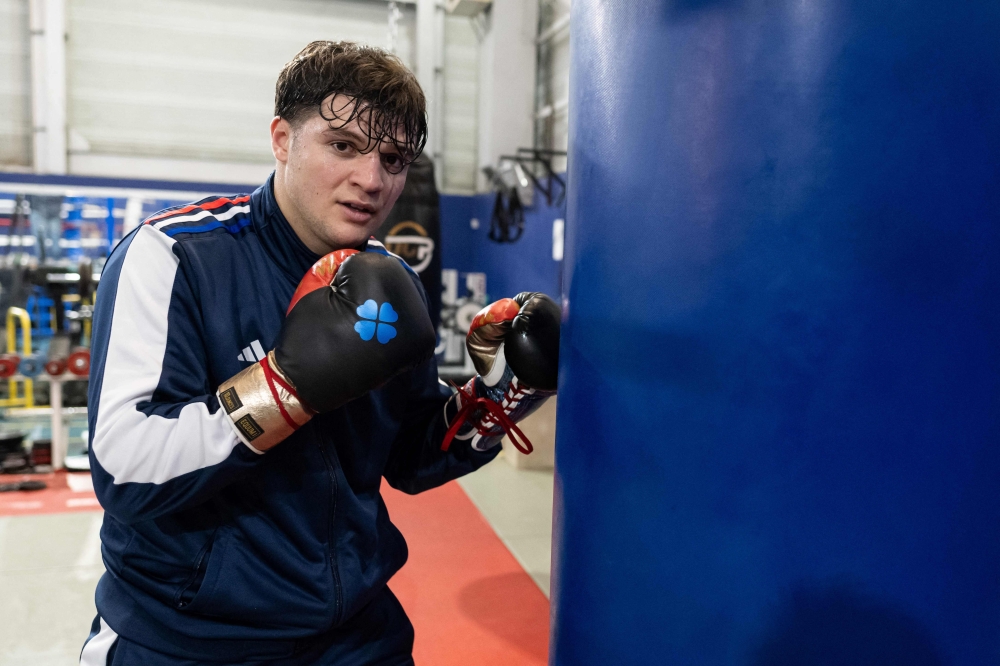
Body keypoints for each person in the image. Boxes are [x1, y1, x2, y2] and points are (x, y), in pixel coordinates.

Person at [78, 41, 559, 666]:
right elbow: (125, 468)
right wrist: (284, 388)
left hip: (355, 637)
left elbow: (409, 457)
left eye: (393, 159)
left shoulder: (389, 280)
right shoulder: (175, 257)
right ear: (283, 140)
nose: (372, 180)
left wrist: (498, 399)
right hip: (188, 640)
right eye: (343, 146)